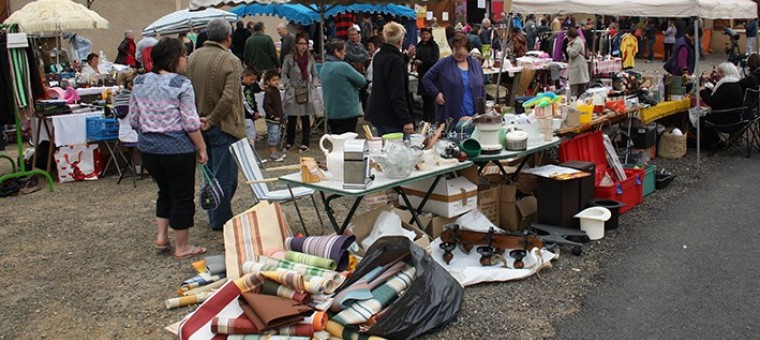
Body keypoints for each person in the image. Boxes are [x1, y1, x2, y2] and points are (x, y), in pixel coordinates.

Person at [128, 37, 207, 258]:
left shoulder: (140, 82)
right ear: (174, 59)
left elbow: (133, 118)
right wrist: (202, 148)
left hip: (149, 149)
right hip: (177, 149)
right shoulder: (181, 84)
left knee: (164, 191)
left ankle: (162, 237)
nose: (186, 59)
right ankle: (182, 247)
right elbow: (190, 123)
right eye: (184, 55)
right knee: (182, 194)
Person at [186, 18, 245, 231]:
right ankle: (221, 219)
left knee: (209, 173)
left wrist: (198, 118)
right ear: (228, 37)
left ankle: (213, 214)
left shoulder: (192, 58)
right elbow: (229, 97)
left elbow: (186, 91)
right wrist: (211, 119)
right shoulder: (231, 60)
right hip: (222, 125)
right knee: (225, 176)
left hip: (198, 124)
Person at [422, 33, 485, 124]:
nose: (458, 54)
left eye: (461, 52)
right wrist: (436, 93)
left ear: (468, 50)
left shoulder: (475, 65)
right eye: (455, 50)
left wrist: (483, 111)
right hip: (451, 116)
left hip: (474, 116)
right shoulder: (444, 63)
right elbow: (426, 79)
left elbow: (482, 88)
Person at [365, 22, 415, 136]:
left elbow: (389, 65)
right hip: (391, 115)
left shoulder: (378, 55)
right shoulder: (396, 61)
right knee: (396, 151)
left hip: (377, 111)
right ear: (400, 41)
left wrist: (406, 57)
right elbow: (397, 93)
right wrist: (406, 120)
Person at [282, 34, 319, 153]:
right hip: (293, 89)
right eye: (301, 44)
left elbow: (314, 74)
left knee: (305, 117)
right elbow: (283, 73)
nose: (303, 46)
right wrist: (288, 85)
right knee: (292, 117)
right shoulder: (289, 58)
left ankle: (305, 142)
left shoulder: (310, 58)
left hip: (306, 89)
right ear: (296, 45)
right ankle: (290, 141)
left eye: (305, 44)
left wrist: (313, 84)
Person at [320, 39, 367, 135]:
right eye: (344, 50)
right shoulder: (343, 66)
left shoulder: (324, 66)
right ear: (336, 51)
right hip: (346, 112)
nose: (345, 53)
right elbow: (362, 81)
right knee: (347, 143)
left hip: (331, 112)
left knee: (337, 143)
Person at [699, 62, 745, 147]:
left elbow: (712, 102)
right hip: (735, 117)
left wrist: (702, 90)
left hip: (724, 118)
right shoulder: (735, 83)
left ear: (726, 73)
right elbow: (719, 97)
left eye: (720, 72)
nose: (717, 74)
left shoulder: (726, 85)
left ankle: (713, 142)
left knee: (700, 119)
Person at [414, 27, 440, 123]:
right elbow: (415, 57)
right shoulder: (419, 45)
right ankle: (425, 118)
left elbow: (435, 60)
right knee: (424, 97)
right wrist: (415, 61)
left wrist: (423, 62)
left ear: (430, 35)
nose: (425, 36)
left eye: (427, 34)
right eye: (423, 34)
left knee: (431, 97)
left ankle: (433, 118)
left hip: (431, 74)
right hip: (421, 74)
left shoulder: (434, 46)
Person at [262, 71, 286, 162]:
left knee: (277, 135)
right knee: (273, 135)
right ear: (268, 81)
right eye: (273, 80)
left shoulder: (276, 91)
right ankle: (272, 153)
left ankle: (275, 152)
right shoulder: (268, 92)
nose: (276, 82)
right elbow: (266, 105)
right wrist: (272, 114)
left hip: (278, 118)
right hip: (272, 119)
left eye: (277, 80)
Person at [114, 70, 137, 144]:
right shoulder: (135, 99)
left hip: (122, 135)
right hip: (136, 136)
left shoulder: (118, 99)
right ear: (130, 84)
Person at [242, 66, 262, 147]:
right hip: (245, 115)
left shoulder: (250, 88)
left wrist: (256, 111)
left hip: (251, 115)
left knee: (251, 134)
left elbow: (253, 101)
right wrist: (252, 113)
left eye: (254, 80)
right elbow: (245, 103)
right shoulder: (242, 88)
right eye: (251, 79)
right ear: (245, 75)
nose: (253, 82)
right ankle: (251, 152)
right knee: (250, 135)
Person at [566, 28, 590, 97]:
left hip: (577, 68)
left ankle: (575, 103)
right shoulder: (578, 41)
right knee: (581, 88)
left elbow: (572, 53)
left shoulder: (576, 42)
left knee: (575, 89)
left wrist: (568, 48)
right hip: (579, 67)